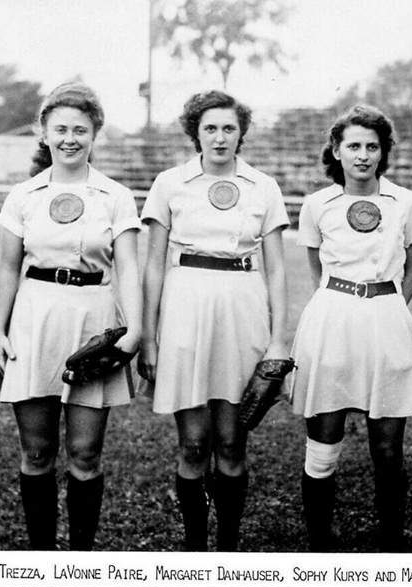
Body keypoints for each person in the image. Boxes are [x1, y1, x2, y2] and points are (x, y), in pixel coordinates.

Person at [0, 83, 142, 570]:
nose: (70, 138)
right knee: (36, 452)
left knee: (85, 453)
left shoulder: (115, 196)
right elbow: (9, 268)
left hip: (94, 316)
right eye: (61, 129)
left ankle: (79, 566)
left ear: (95, 133)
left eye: (81, 129)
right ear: (44, 133)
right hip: (35, 317)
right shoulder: (24, 195)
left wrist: (135, 330)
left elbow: (131, 269)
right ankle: (40, 563)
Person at [139, 90, 289, 551]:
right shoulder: (170, 183)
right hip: (186, 304)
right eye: (210, 128)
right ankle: (195, 550)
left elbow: (278, 268)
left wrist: (279, 339)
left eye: (228, 128)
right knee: (193, 444)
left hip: (242, 305)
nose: (220, 137)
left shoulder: (262, 186)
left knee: (231, 441)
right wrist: (148, 335)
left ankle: (227, 548)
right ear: (195, 133)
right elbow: (153, 264)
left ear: (241, 132)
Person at [290, 105, 412, 553]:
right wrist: (347, 303)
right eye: (353, 146)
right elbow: (317, 269)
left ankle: (390, 547)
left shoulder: (406, 202)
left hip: (386, 317)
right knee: (324, 439)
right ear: (335, 151)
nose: (362, 155)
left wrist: (385, 310)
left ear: (383, 152)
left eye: (371, 147)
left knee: (388, 447)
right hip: (332, 318)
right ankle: (319, 548)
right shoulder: (318, 204)